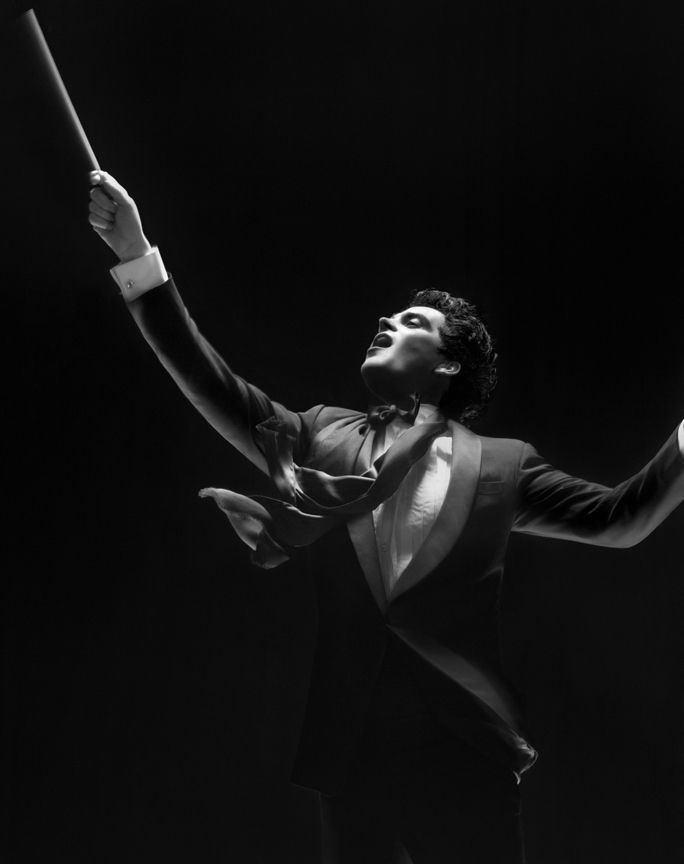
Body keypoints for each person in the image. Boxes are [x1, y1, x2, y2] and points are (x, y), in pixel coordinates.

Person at [87, 170, 684, 864]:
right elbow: (206, 374)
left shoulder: (503, 465)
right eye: (392, 317)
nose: (386, 322)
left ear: (449, 367)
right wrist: (137, 258)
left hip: (467, 753)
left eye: (413, 324)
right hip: (351, 754)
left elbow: (620, 517)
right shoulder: (319, 437)